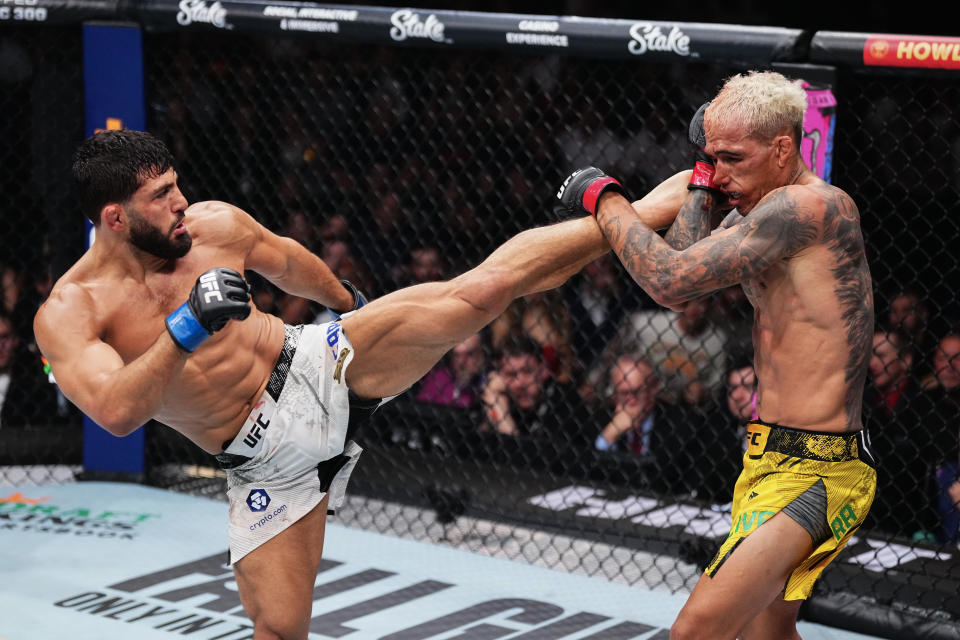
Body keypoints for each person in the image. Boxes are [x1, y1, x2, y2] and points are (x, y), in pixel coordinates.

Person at [35, 129, 686, 639]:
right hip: (264, 458)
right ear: (115, 218)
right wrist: (185, 327)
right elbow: (115, 413)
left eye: (177, 185)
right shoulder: (72, 311)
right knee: (280, 629)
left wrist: (346, 297)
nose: (180, 202)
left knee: (478, 292)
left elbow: (285, 260)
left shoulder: (211, 225)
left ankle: (646, 207)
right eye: (160, 197)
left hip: (318, 364)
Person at [556, 70, 876, 639]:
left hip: (818, 471)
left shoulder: (810, 208)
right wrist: (706, 179)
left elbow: (669, 282)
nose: (721, 172)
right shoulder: (758, 213)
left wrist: (602, 197)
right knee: (765, 634)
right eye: (711, 157)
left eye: (733, 158)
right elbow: (686, 261)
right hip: (768, 457)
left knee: (694, 632)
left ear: (783, 148)